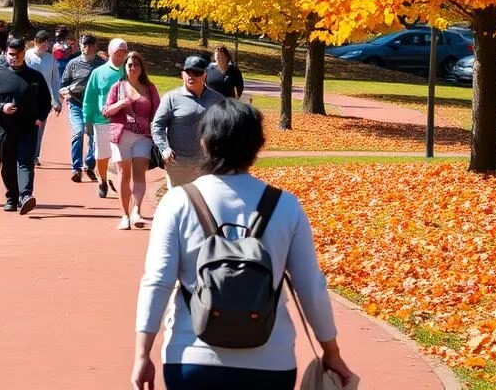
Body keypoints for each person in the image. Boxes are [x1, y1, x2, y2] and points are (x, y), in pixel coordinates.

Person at [133, 100, 355, 390]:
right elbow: (310, 287)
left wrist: (142, 353)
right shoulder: (286, 206)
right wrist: (331, 352)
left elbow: (157, 281)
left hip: (192, 358)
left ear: (204, 141)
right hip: (270, 363)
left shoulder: (178, 202)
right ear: (258, 145)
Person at [0, 38, 51, 215]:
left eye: (17, 55)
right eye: (10, 54)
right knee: (7, 164)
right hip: (5, 128)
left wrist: (40, 118)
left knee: (26, 162)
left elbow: (46, 100)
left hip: (28, 128)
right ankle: (11, 197)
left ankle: (26, 195)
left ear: (23, 54)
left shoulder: (35, 77)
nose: (13, 58)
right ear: (6, 53)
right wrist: (2, 107)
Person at [102, 51, 160, 229]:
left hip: (143, 137)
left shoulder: (149, 89)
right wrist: (120, 104)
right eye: (130, 65)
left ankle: (136, 210)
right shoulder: (117, 87)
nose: (133, 68)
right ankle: (125, 215)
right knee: (123, 175)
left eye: (136, 65)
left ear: (142, 68)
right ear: (125, 68)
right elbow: (106, 111)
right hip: (121, 136)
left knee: (139, 173)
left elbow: (158, 113)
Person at [152, 55, 228, 187]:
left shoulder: (218, 100)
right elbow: (157, 126)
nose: (192, 76)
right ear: (182, 74)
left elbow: (226, 128)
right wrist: (164, 148)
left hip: (206, 165)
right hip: (178, 163)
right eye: (188, 72)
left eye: (197, 72)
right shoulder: (171, 98)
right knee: (181, 201)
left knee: (203, 202)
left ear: (204, 75)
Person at [82, 37, 129, 198]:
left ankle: (121, 182)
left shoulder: (131, 70)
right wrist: (87, 119)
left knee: (122, 156)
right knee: (102, 156)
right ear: (110, 53)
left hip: (125, 122)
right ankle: (102, 179)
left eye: (124, 52)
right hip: (102, 120)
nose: (121, 55)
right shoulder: (98, 73)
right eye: (118, 52)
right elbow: (90, 97)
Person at [59, 34, 101, 183]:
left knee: (94, 137)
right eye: (84, 44)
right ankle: (76, 168)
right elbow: (63, 84)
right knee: (78, 133)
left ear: (95, 47)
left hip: (94, 107)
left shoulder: (101, 64)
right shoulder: (73, 63)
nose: (86, 48)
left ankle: (89, 165)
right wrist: (64, 92)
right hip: (76, 104)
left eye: (89, 45)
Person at [24, 30, 62, 162]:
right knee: (28, 127)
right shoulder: (27, 56)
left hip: (44, 99)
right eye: (45, 42)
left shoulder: (50, 58)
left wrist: (56, 100)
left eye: (48, 42)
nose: (47, 44)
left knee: (40, 128)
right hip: (28, 98)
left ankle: (35, 155)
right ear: (37, 42)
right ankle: (26, 152)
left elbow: (55, 80)